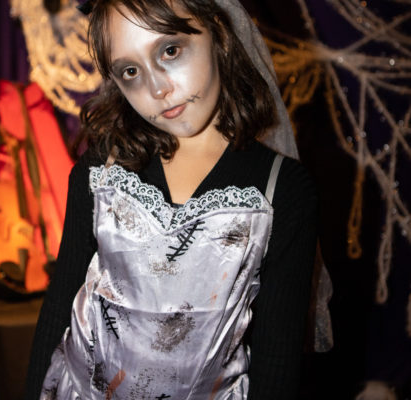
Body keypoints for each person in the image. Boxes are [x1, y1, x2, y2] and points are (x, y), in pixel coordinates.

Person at [25, 0, 318, 398]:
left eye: (170, 50)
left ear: (219, 34)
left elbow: (277, 362)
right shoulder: (101, 172)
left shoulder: (281, 189)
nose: (158, 89)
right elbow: (59, 309)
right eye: (131, 71)